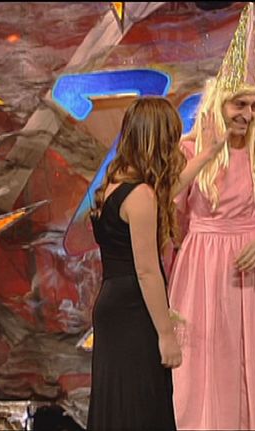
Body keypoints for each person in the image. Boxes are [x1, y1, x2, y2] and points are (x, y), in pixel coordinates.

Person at [167, 4, 255, 429]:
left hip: (251, 272)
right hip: (200, 270)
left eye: (252, 106)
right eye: (237, 105)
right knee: (201, 369)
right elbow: (170, 211)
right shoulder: (190, 152)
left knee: (251, 368)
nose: (245, 114)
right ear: (218, 105)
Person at [87, 96, 225, 431]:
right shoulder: (140, 197)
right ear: (159, 142)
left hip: (114, 304)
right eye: (172, 138)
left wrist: (207, 154)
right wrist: (166, 335)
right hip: (134, 309)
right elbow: (147, 271)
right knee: (141, 405)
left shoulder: (117, 185)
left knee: (120, 405)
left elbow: (168, 189)